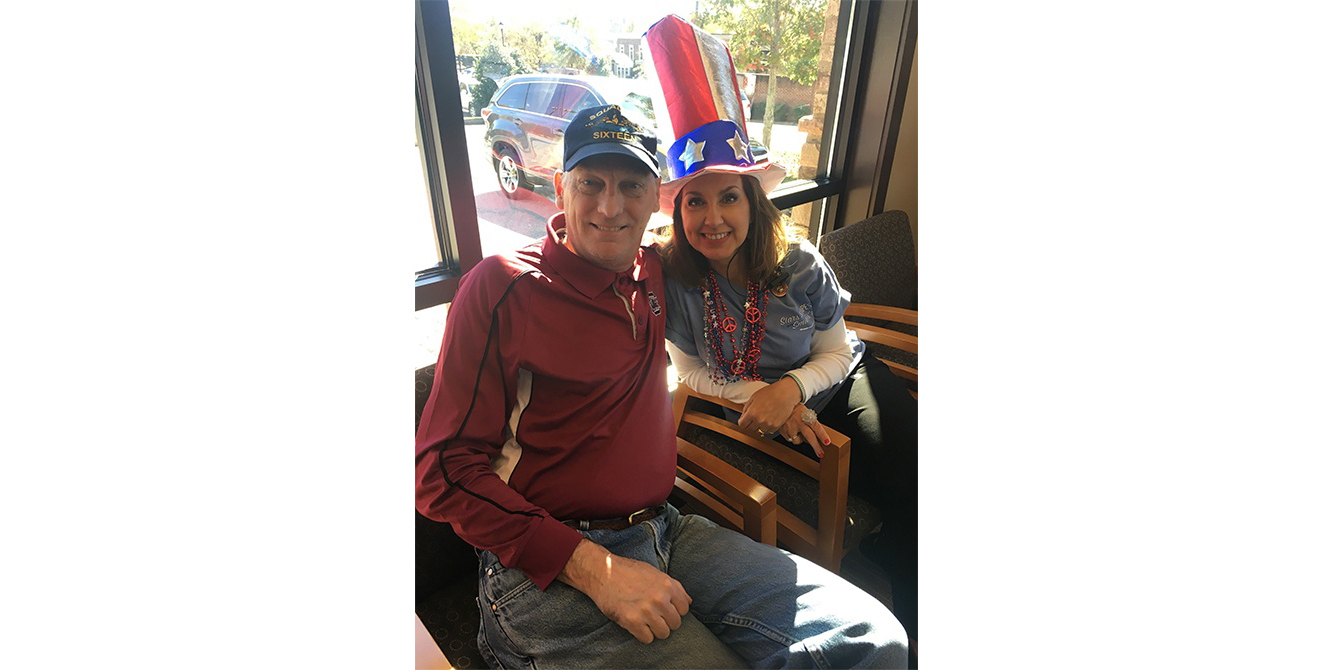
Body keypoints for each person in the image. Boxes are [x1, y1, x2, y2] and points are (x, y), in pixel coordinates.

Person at [415, 100, 909, 668]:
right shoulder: (503, 288)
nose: (610, 206)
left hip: (668, 530)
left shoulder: (659, 272)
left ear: (656, 200)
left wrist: (792, 388)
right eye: (590, 183)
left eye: (631, 186)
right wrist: (591, 567)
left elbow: (752, 301)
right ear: (559, 187)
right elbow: (441, 470)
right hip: (544, 568)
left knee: (873, 641)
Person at [646, 14, 920, 641]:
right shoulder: (673, 277)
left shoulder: (798, 266)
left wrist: (791, 391)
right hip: (742, 407)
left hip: (836, 386)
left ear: (754, 200)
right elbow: (686, 369)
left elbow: (840, 348)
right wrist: (759, 397)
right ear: (679, 209)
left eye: (729, 197)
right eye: (696, 200)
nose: (713, 218)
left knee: (915, 473)